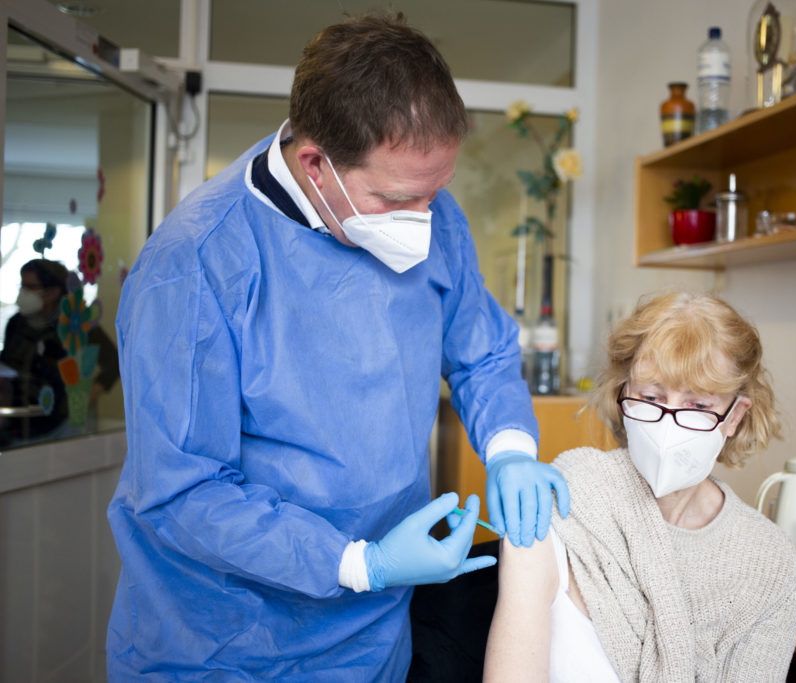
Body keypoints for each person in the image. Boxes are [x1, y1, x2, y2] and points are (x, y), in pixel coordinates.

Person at [106, 12, 569, 681]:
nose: (425, 221)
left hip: (372, 639)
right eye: (398, 198)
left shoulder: (432, 212)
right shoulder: (197, 266)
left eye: (435, 194)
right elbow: (184, 493)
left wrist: (511, 451)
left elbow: (482, 350)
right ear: (317, 163)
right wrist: (358, 562)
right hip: (225, 643)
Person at [483, 291, 796, 682]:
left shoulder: (769, 565)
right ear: (623, 395)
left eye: (698, 405)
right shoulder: (560, 501)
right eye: (651, 397)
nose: (668, 424)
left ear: (734, 416)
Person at [0, 258, 118, 444]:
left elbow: (114, 362)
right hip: (22, 428)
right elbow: (8, 367)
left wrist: (87, 396)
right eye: (22, 286)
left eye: (30, 287)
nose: (23, 293)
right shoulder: (17, 323)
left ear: (53, 292)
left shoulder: (76, 324)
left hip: (63, 428)